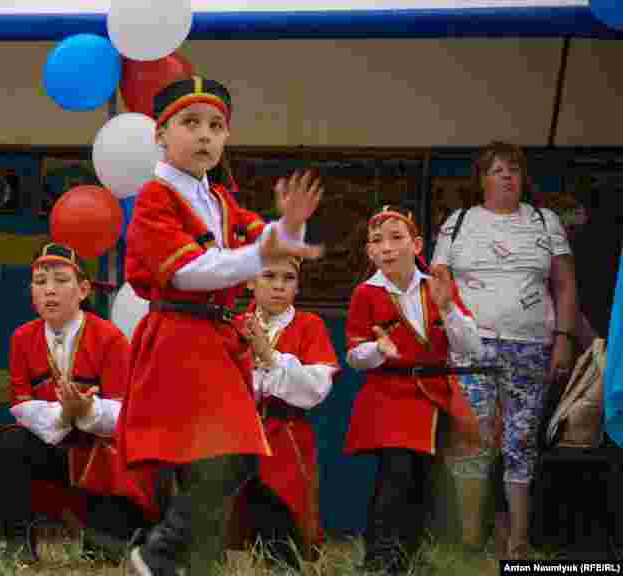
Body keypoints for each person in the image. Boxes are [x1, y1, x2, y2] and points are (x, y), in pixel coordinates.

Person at [120, 75, 324, 576]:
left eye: (215, 126)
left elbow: (263, 236)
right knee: (229, 452)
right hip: (180, 338)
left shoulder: (220, 199)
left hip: (216, 339)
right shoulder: (155, 198)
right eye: (191, 123)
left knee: (219, 457)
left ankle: (177, 557)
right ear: (161, 134)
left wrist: (289, 227)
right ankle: (161, 553)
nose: (205, 135)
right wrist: (262, 252)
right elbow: (188, 272)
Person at [430, 141, 577, 558]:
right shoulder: (459, 222)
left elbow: (565, 284)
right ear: (482, 179)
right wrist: (448, 325)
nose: (508, 176)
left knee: (520, 439)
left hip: (530, 347)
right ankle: (469, 540)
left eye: (514, 169)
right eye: (497, 170)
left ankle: (517, 541)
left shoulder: (544, 221)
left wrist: (564, 338)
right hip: (472, 348)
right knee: (471, 437)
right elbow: (438, 279)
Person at [0, 242, 156, 566]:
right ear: (32, 292)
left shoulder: (110, 338)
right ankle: (18, 543)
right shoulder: (22, 338)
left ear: (82, 290)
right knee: (11, 441)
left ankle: (108, 538)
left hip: (96, 446)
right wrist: (63, 414)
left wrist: (87, 411)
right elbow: (22, 407)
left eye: (61, 280)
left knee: (105, 557)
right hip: (49, 442)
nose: (50, 290)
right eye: (40, 282)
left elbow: (125, 413)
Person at [346, 204, 482, 574]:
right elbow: (354, 356)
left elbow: (471, 347)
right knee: (396, 473)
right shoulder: (365, 294)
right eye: (377, 241)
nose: (387, 247)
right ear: (370, 251)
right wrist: (378, 349)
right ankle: (379, 560)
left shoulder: (437, 288)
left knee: (423, 478)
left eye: (396, 237)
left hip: (434, 396)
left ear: (417, 244)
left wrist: (448, 308)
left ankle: (409, 558)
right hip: (390, 394)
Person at [231, 256, 339, 571]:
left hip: (286, 434)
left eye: (288, 278)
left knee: (284, 513)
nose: (279, 286)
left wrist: (270, 356)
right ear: (250, 281)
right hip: (237, 435)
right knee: (235, 518)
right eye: (269, 276)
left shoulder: (308, 325)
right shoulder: (232, 325)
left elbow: (317, 387)